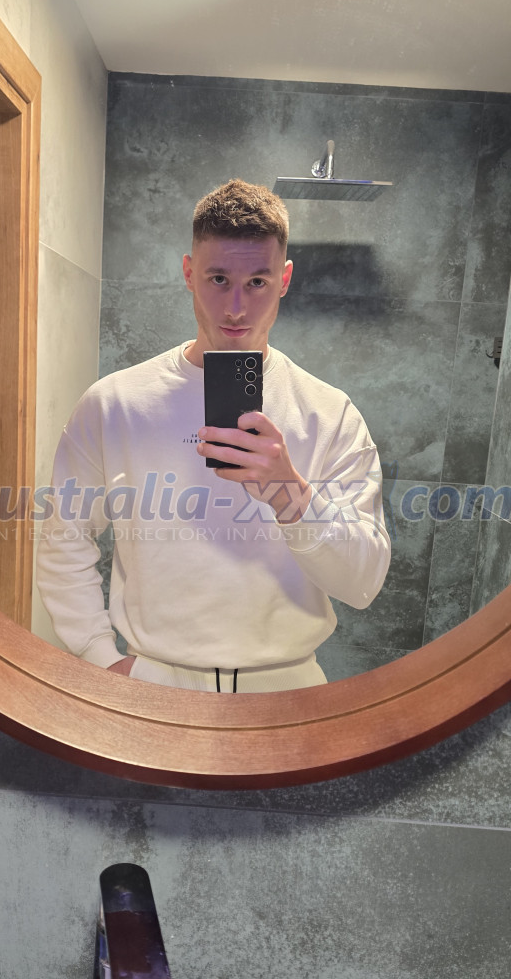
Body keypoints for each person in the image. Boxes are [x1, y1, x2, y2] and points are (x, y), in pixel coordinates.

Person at [36, 179, 391, 693]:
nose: (236, 308)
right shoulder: (115, 403)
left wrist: (290, 495)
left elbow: (363, 582)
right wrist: (99, 655)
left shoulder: (329, 414)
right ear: (188, 272)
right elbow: (63, 538)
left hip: (287, 688)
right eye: (218, 278)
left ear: (285, 278)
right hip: (151, 683)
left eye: (257, 282)